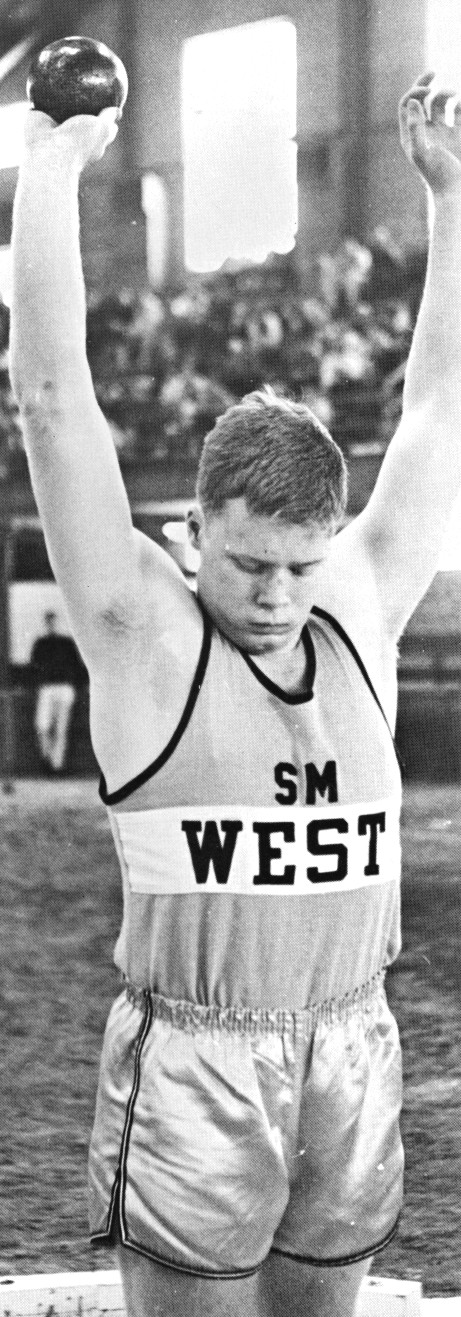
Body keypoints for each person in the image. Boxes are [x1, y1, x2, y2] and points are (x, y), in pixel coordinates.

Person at [8, 72, 461, 1317]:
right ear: (191, 532)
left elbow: (439, 409)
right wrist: (51, 164)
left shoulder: (354, 601)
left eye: (297, 567)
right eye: (247, 564)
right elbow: (51, 402)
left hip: (352, 1042)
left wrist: (447, 199)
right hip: (198, 1060)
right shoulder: (141, 632)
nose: (273, 595)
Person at [30, 609, 83, 773]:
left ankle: (56, 766)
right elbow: (34, 666)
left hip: (64, 687)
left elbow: (77, 666)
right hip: (47, 687)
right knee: (42, 726)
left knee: (61, 728)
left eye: (53, 621)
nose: (51, 625)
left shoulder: (67, 643)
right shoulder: (40, 643)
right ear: (46, 624)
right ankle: (48, 759)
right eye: (49, 622)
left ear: (57, 622)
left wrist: (77, 685)